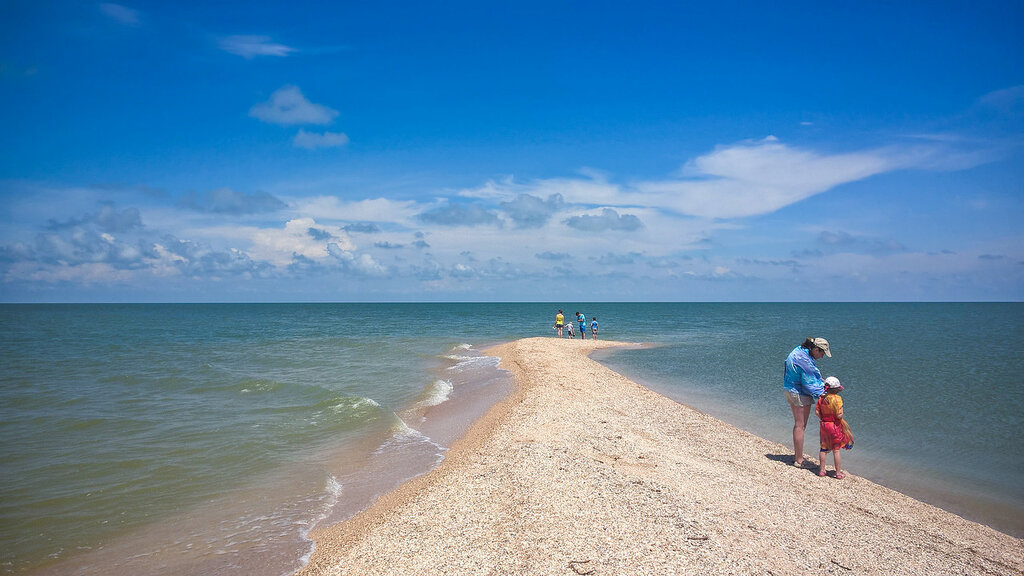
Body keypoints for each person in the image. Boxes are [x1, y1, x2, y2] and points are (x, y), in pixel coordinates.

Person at [783, 337, 831, 467]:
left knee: (798, 425)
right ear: (815, 349)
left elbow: (809, 376)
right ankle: (799, 460)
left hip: (789, 389)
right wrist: (827, 394)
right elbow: (810, 384)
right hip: (798, 393)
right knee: (800, 426)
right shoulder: (804, 360)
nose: (821, 357)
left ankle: (798, 455)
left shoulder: (799, 350)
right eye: (821, 353)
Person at [817, 376, 854, 479]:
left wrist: (824, 418)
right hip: (834, 426)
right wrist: (840, 417)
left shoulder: (821, 398)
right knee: (836, 450)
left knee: (823, 448)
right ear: (837, 389)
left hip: (824, 425)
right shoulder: (837, 399)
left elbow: (817, 412)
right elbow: (839, 415)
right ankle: (838, 473)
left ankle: (822, 470)